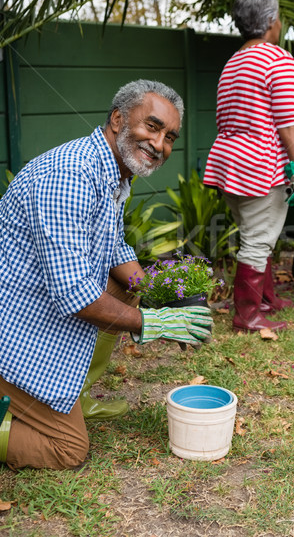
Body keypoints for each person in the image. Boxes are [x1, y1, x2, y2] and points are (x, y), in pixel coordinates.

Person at [0, 79, 212, 470]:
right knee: (67, 449)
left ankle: (71, 393)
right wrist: (157, 322)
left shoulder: (113, 174)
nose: (160, 144)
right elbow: (74, 293)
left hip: (35, 306)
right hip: (11, 332)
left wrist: (157, 293)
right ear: (117, 118)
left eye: (170, 137)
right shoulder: (70, 175)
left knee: (127, 288)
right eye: (152, 126)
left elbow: (113, 248)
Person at [203, 0, 294, 334]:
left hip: (229, 164)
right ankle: (247, 316)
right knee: (258, 239)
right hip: (261, 166)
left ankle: (265, 300)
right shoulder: (278, 60)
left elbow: (223, 118)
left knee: (257, 234)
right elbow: (288, 121)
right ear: (271, 22)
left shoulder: (233, 62)